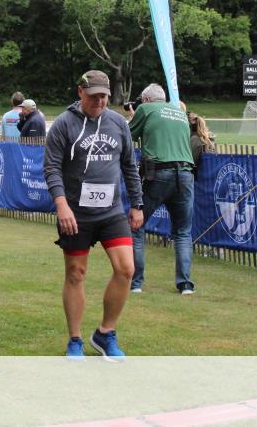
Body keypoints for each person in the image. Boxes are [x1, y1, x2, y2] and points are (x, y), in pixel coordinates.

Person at [43, 70, 143, 360]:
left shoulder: (118, 123)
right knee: (76, 273)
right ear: (80, 92)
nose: (99, 101)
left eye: (104, 96)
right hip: (76, 214)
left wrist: (137, 204)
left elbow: (129, 165)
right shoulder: (64, 124)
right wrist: (61, 205)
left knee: (126, 269)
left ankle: (105, 333)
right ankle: (75, 340)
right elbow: (51, 168)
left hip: (111, 212)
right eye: (93, 95)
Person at [127, 83, 196, 296]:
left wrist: (133, 117)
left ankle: (136, 283)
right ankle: (185, 284)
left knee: (137, 225)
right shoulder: (179, 112)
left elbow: (127, 136)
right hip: (185, 174)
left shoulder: (145, 109)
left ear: (146, 100)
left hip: (158, 173)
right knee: (183, 232)